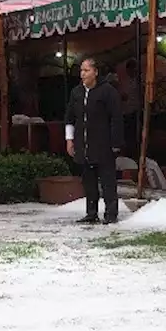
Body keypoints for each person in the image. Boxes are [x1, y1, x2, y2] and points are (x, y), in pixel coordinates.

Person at [66, 57, 124, 225]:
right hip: (83, 144)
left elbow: (116, 118)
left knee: (107, 180)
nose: (82, 74)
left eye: (86, 70)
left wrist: (115, 143)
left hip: (104, 144)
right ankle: (91, 212)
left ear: (95, 72)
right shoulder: (76, 92)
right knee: (89, 181)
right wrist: (70, 140)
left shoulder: (108, 91)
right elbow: (70, 117)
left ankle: (111, 213)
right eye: (81, 70)